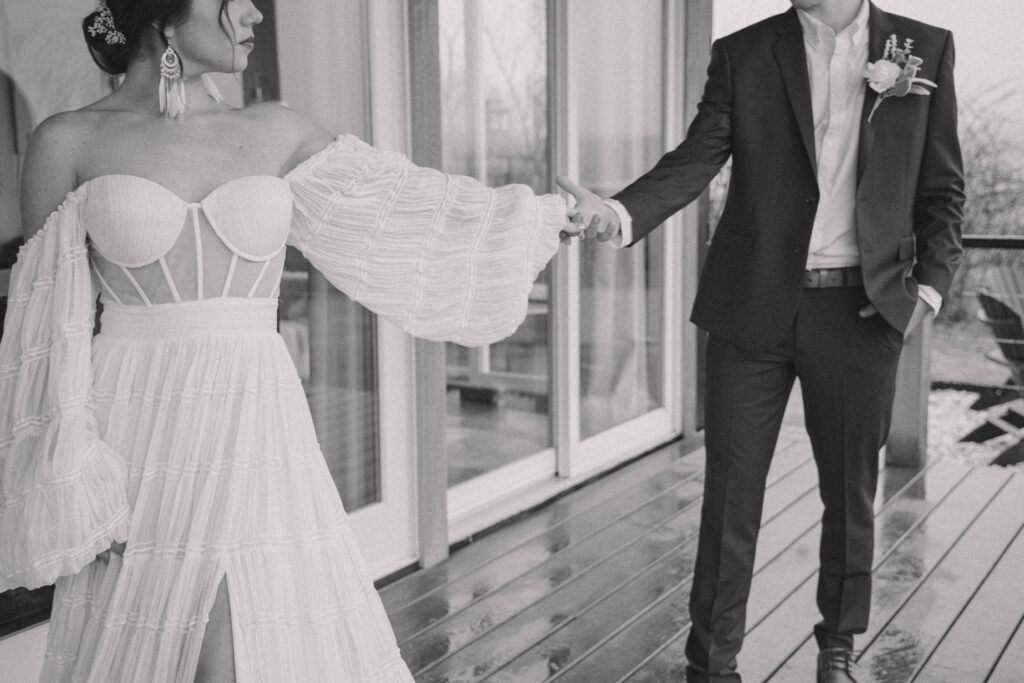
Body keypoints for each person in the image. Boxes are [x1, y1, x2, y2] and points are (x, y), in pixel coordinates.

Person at [0, 1, 579, 681]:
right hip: (135, 434)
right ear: (166, 13)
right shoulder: (67, 141)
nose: (253, 13)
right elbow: (44, 335)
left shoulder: (276, 130)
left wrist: (552, 215)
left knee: (237, 652)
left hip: (256, 424)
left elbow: (414, 209)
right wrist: (73, 479)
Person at [559, 0, 964, 681]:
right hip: (751, 305)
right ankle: (711, 662)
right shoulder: (743, 52)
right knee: (730, 494)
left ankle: (838, 645)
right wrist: (621, 212)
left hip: (862, 311)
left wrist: (927, 290)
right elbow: (696, 158)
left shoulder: (924, 46)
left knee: (850, 492)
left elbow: (943, 188)